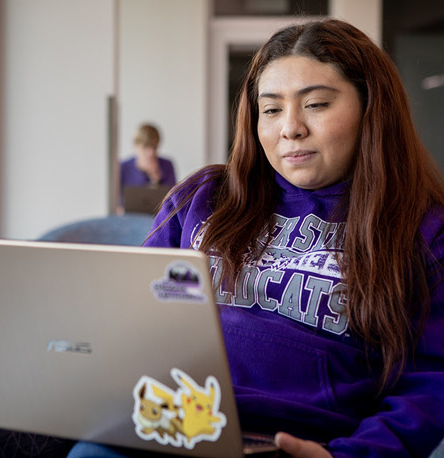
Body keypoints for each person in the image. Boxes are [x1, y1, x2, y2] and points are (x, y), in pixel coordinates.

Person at [74, 19, 444, 457]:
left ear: (371, 108)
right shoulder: (202, 197)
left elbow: (432, 381)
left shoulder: (422, 227)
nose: (291, 128)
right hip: (169, 424)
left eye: (316, 104)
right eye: (270, 110)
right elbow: (131, 319)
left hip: (298, 444)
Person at [118, 123, 177, 214]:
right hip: (131, 218)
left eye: (154, 147)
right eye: (146, 147)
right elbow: (118, 204)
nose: (151, 152)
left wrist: (155, 178)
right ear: (136, 145)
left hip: (157, 217)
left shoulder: (167, 166)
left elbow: (172, 201)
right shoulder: (123, 168)